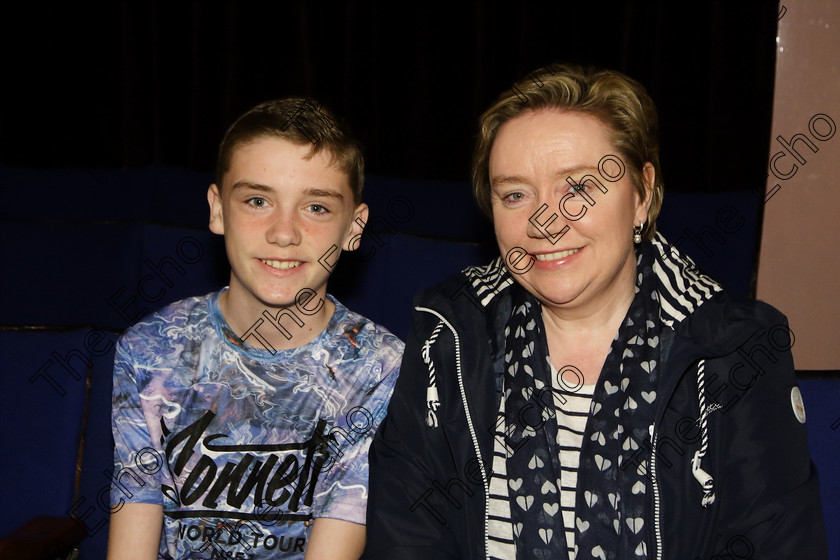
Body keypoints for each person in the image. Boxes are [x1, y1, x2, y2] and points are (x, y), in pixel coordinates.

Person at [364, 64, 827, 559]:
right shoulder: (449, 329)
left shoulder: (735, 347)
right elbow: (406, 538)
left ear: (642, 196)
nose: (544, 221)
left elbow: (776, 544)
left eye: (579, 187)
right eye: (515, 194)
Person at [108, 98, 403, 560]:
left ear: (354, 227)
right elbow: (133, 532)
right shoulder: (151, 352)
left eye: (317, 208)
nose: (283, 232)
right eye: (258, 201)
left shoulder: (379, 367)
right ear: (218, 210)